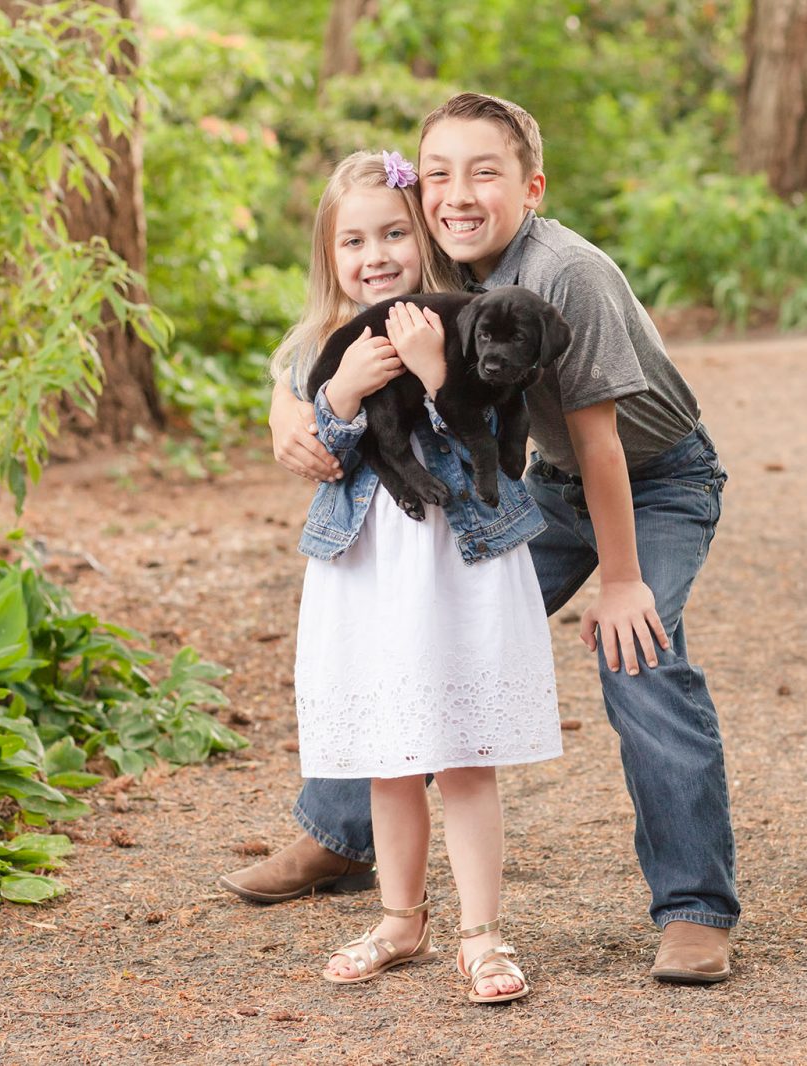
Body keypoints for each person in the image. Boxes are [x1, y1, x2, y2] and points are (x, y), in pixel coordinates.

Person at [225, 93, 738, 984]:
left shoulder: (566, 273)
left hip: (651, 480)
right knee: (420, 646)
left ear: (532, 187)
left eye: (484, 174)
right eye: (438, 176)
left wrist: (622, 583)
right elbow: (315, 339)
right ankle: (343, 839)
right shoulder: (437, 265)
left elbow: (601, 443)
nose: (458, 194)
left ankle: (695, 908)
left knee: (641, 655)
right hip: (534, 483)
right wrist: (284, 409)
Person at [266, 148, 563, 1003]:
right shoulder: (321, 347)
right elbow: (318, 456)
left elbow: (499, 440)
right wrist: (343, 399)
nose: (376, 255)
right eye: (353, 241)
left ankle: (483, 933)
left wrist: (435, 375)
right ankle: (400, 920)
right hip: (365, 570)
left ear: (423, 238)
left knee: (465, 750)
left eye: (394, 232)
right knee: (387, 753)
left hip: (457, 561)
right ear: (330, 258)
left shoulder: (469, 321)